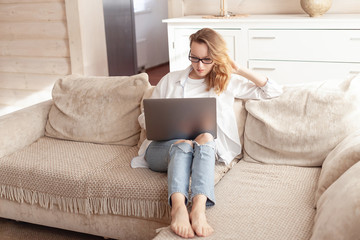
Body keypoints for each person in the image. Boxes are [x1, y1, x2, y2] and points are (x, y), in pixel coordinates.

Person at [131, 28, 283, 238]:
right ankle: (177, 208)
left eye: (206, 59)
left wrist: (239, 69)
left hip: (204, 149)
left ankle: (199, 208)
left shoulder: (225, 82)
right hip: (161, 150)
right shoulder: (170, 80)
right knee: (183, 144)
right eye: (194, 58)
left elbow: (273, 90)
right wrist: (160, 123)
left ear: (217, 58)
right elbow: (144, 118)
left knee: (206, 138)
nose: (199, 65)